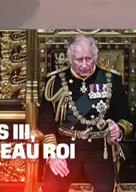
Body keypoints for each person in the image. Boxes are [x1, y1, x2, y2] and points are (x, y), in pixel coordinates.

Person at [38, 34, 131, 192]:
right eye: (79, 59)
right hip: (66, 149)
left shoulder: (111, 80)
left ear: (95, 57)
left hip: (100, 152)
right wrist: (53, 153)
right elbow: (45, 123)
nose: (84, 64)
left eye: (88, 59)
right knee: (52, 186)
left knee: (105, 188)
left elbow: (125, 118)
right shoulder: (54, 82)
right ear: (70, 58)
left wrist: (118, 130)